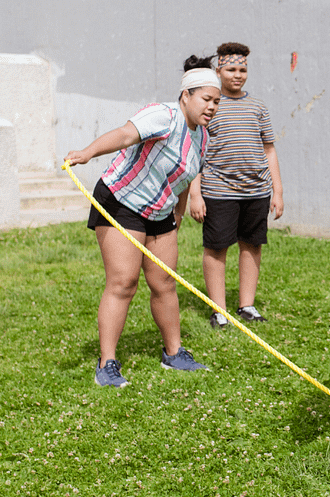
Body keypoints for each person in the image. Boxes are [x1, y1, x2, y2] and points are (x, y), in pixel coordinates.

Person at [64, 55, 219, 387]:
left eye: (217, 101)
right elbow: (123, 136)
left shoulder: (203, 138)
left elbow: (182, 178)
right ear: (186, 95)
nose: (212, 107)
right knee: (123, 283)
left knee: (164, 283)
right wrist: (88, 152)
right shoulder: (162, 115)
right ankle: (107, 363)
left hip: (160, 213)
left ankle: (174, 354)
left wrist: (177, 213)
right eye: (206, 99)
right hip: (122, 202)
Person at [189, 42, 284, 329]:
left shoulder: (258, 107)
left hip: (256, 191)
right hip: (218, 191)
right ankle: (219, 310)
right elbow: (195, 150)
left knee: (252, 245)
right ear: (218, 71)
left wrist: (277, 190)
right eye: (231, 69)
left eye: (242, 69)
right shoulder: (210, 106)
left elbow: (269, 150)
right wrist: (195, 194)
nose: (238, 74)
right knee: (217, 248)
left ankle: (247, 305)